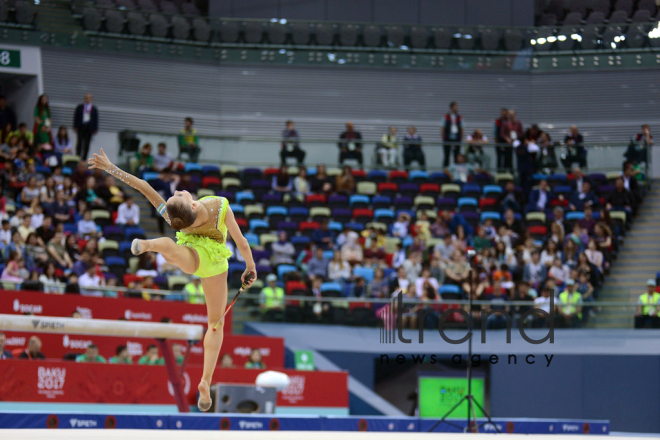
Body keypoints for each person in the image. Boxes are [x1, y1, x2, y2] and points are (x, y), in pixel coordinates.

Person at [88, 148, 256, 412]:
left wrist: (110, 167)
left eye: (176, 193)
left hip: (191, 256)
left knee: (171, 249)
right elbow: (242, 242)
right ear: (190, 204)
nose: (177, 191)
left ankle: (148, 245)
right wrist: (250, 267)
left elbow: (143, 187)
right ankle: (205, 380)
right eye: (177, 194)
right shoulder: (219, 206)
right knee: (214, 323)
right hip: (213, 264)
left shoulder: (171, 216)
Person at [73, 93, 98, 159]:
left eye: (89, 98)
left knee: (87, 144)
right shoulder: (80, 107)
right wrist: (75, 126)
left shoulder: (94, 109)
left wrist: (95, 129)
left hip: (89, 128)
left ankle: (84, 158)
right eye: (86, 98)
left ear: (91, 99)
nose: (87, 99)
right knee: (79, 143)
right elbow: (76, 117)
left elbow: (96, 119)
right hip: (81, 126)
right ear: (84, 99)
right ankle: (77, 157)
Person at [442, 101, 463, 167]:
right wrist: (444, 137)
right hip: (448, 138)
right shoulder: (446, 116)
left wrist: (460, 138)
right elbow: (443, 127)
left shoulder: (459, 117)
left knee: (456, 156)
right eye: (455, 106)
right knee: (446, 156)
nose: (457, 108)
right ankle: (445, 169)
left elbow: (462, 128)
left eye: (457, 106)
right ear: (451, 107)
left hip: (456, 139)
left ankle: (456, 170)